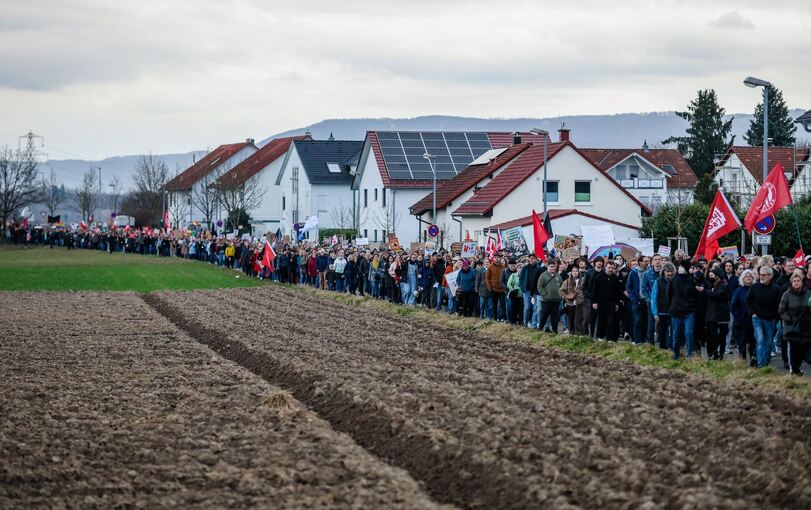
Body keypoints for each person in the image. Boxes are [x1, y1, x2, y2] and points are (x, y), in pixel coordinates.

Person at [747, 265, 781, 368]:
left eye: (764, 275)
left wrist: (776, 318)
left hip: (770, 320)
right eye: (760, 275)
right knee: (760, 340)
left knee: (769, 343)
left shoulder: (775, 289)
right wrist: (752, 313)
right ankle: (760, 364)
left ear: (770, 276)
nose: (761, 277)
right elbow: (748, 301)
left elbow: (778, 305)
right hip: (757, 318)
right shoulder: (754, 287)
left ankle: (766, 362)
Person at [778, 270, 811, 376]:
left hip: (806, 327)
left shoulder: (808, 293)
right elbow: (781, 311)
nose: (796, 282)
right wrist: (790, 318)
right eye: (794, 281)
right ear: (791, 283)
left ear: (802, 282)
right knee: (794, 350)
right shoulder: (786, 295)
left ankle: (799, 365)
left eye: (798, 281)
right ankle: (795, 370)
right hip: (792, 327)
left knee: (805, 350)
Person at [667, 259, 701, 360]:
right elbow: (669, 294)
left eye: (682, 266)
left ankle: (689, 354)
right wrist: (672, 305)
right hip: (676, 311)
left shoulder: (691, 280)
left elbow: (694, 295)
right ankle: (676, 353)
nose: (680, 268)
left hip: (689, 311)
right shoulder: (674, 280)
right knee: (676, 334)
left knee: (688, 333)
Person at [591, 259, 624, 341]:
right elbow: (595, 290)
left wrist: (616, 303)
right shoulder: (599, 277)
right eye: (609, 267)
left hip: (611, 303)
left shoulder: (615, 278)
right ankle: (600, 336)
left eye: (612, 268)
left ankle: (610, 338)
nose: (610, 269)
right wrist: (594, 302)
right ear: (605, 267)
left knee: (611, 321)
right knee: (601, 320)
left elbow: (617, 292)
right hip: (601, 302)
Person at [731, 269, 756, 365]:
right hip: (741, 321)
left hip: (753, 320)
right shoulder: (739, 290)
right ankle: (742, 361)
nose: (748, 277)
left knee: (753, 342)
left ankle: (753, 360)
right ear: (743, 278)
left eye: (750, 276)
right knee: (742, 342)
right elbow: (733, 305)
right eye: (746, 276)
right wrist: (738, 316)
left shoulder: (755, 289)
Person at [704, 268, 730, 360]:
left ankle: (720, 354)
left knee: (721, 336)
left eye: (712, 275)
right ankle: (714, 353)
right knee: (712, 335)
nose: (711, 277)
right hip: (712, 314)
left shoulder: (723, 284)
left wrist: (705, 291)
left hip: (720, 314)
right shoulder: (711, 284)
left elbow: (718, 294)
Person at [651, 262, 675, 350]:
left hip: (673, 311)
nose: (669, 273)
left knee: (673, 331)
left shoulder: (675, 281)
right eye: (667, 271)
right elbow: (654, 298)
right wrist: (655, 313)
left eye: (671, 271)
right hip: (662, 310)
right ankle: (663, 348)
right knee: (662, 331)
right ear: (663, 271)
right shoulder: (658, 282)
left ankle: (671, 347)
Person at [626, 255, 649, 344]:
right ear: (640, 262)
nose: (647, 263)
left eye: (648, 261)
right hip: (636, 300)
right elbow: (628, 286)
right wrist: (633, 298)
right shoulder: (633, 272)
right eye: (645, 261)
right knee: (637, 320)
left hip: (646, 300)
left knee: (646, 320)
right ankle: (637, 340)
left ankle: (644, 339)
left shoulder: (649, 271)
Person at [537, 260, 563, 333]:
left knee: (555, 316)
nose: (553, 268)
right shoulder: (543, 275)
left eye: (554, 266)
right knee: (544, 315)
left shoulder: (558, 276)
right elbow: (539, 286)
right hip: (546, 300)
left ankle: (555, 330)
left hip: (556, 300)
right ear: (547, 267)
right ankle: (540, 328)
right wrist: (544, 294)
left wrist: (560, 295)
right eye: (551, 266)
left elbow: (562, 286)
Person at [559, 266, 586, 334]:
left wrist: (582, 297)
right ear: (571, 272)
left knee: (578, 320)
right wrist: (566, 297)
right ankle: (571, 332)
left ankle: (578, 333)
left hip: (579, 303)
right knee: (570, 320)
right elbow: (561, 291)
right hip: (570, 303)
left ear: (578, 272)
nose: (575, 272)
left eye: (576, 271)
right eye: (573, 271)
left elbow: (585, 290)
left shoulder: (582, 281)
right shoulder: (567, 281)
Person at [584, 257, 604, 337]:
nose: (599, 263)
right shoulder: (589, 272)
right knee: (592, 317)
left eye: (601, 261)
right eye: (598, 261)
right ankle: (591, 334)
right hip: (590, 297)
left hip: (601, 298)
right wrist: (587, 294)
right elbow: (585, 285)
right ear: (595, 262)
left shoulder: (604, 272)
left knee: (601, 318)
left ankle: (599, 335)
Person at [520, 254, 542, 327]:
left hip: (535, 291)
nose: (531, 259)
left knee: (535, 308)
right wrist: (523, 288)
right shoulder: (525, 268)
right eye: (530, 258)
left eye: (533, 258)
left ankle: (534, 324)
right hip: (526, 290)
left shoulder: (539, 268)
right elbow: (521, 278)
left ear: (536, 259)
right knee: (527, 307)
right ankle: (525, 323)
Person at [486, 256, 507, 322]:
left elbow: (505, 278)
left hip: (501, 289)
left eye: (498, 257)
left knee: (502, 304)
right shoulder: (490, 267)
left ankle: (504, 319)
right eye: (495, 257)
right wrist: (489, 288)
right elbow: (487, 278)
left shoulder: (503, 267)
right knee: (494, 304)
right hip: (493, 288)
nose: (497, 258)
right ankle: (495, 318)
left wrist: (505, 287)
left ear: (500, 258)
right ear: (493, 258)